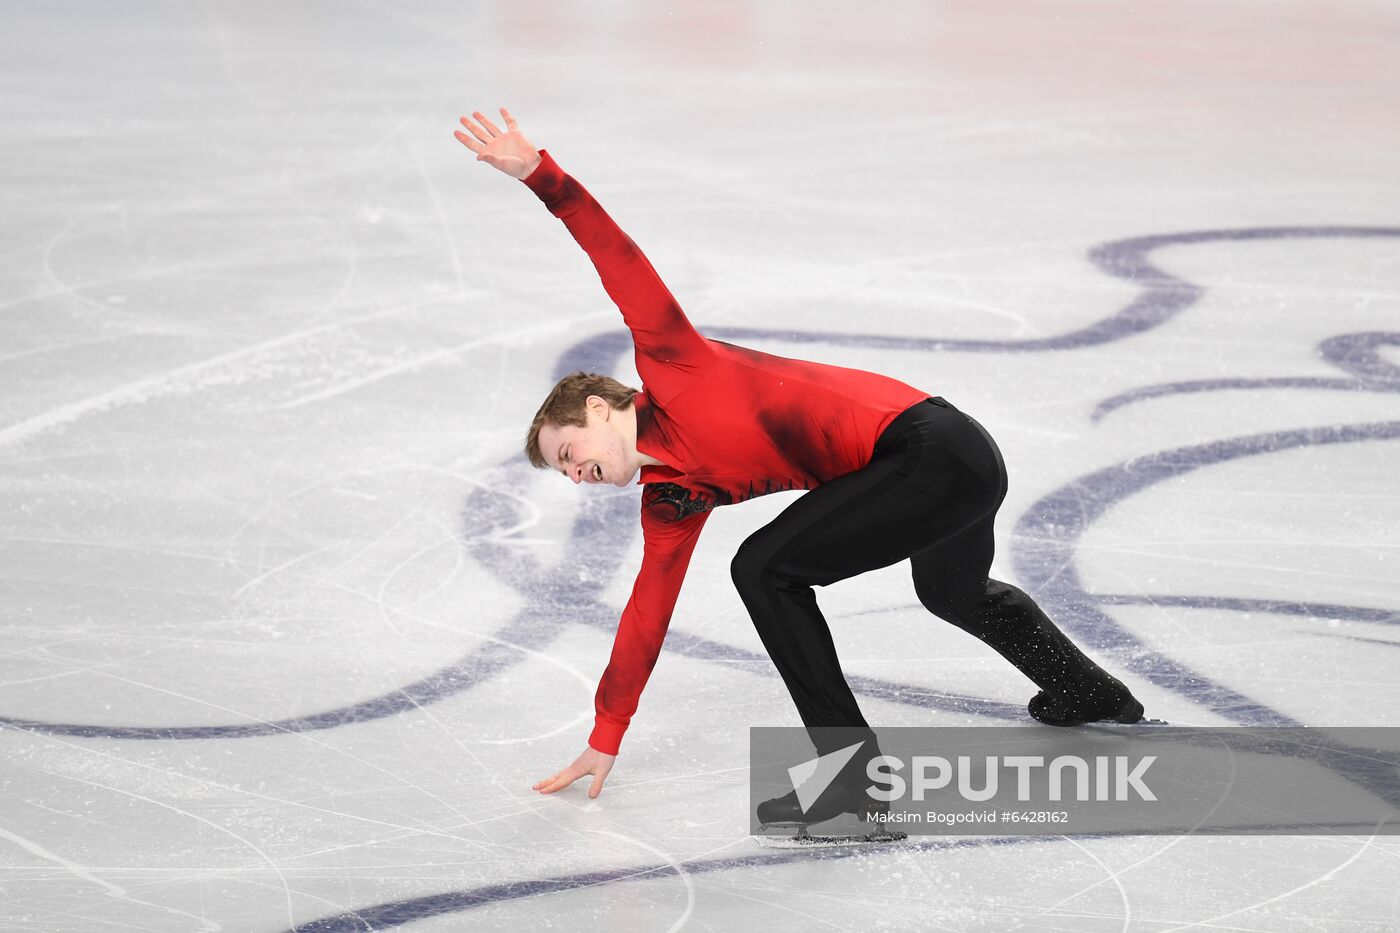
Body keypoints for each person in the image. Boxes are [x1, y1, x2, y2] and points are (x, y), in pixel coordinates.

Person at [454, 107, 1144, 807]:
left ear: (600, 408)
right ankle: (1090, 692)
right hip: (948, 468)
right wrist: (607, 732)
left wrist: (542, 176)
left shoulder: (675, 363)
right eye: (564, 471)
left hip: (934, 447)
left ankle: (852, 782)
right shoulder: (672, 497)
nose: (574, 474)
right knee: (953, 591)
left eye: (569, 452)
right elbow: (645, 616)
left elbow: (616, 257)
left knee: (763, 568)